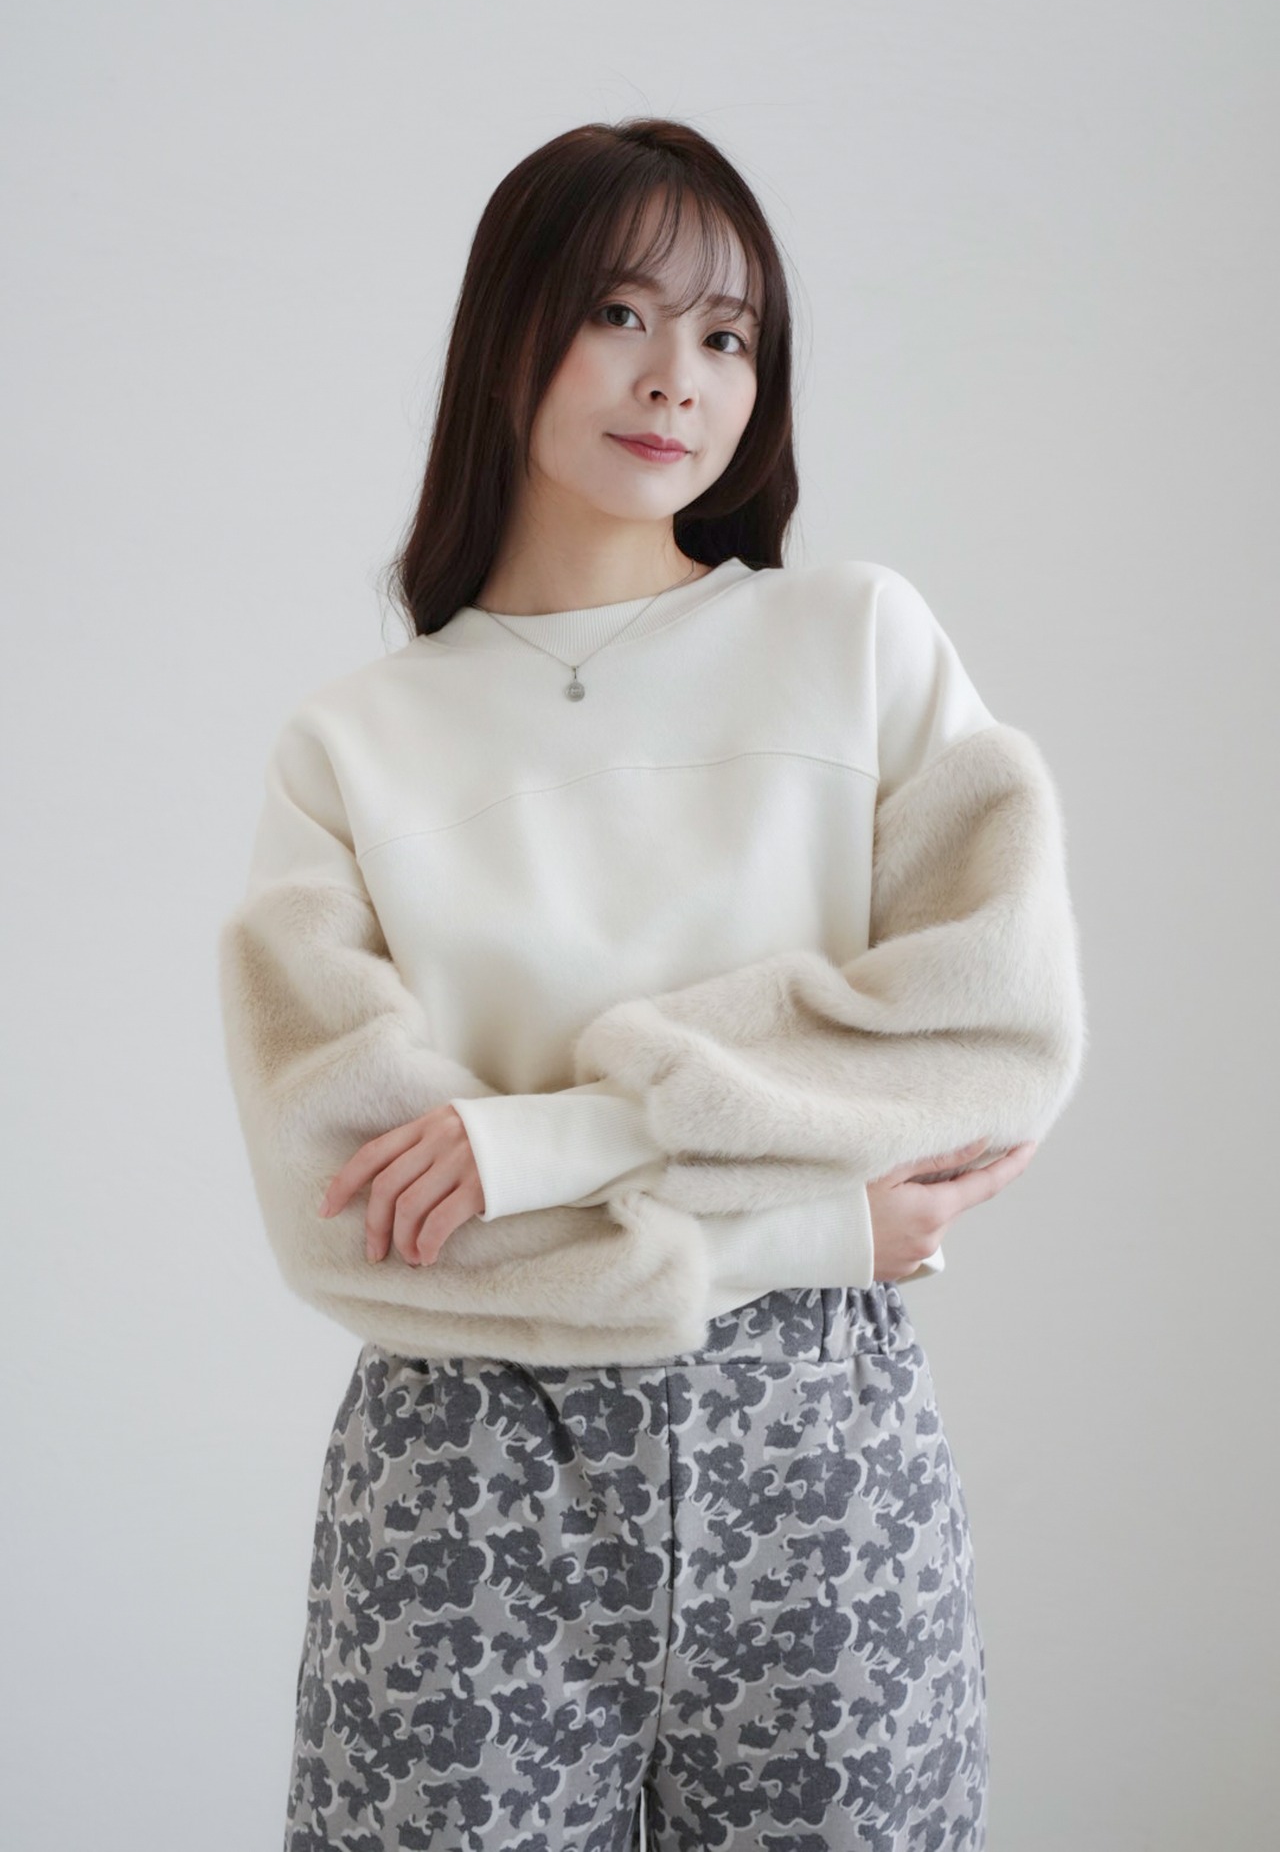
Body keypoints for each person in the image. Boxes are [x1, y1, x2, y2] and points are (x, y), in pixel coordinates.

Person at [219, 116, 1084, 1851]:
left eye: (728, 332)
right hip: (468, 1476)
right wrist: (818, 1220)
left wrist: (544, 1142)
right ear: (510, 334)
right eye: (621, 312)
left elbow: (992, 1033)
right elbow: (355, 1212)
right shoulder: (355, 745)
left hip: (818, 1463)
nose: (678, 375)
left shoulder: (856, 645)